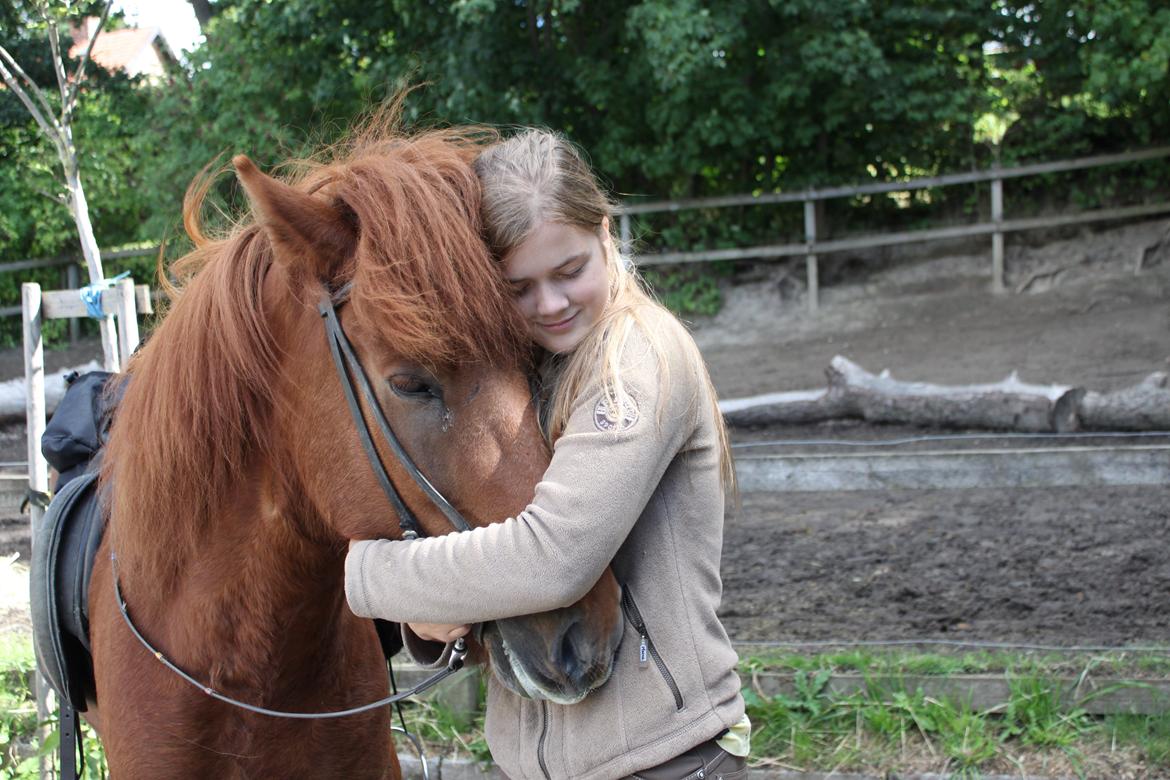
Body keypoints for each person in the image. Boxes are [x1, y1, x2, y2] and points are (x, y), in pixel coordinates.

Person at [345, 128, 748, 779]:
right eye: (519, 287)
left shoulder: (636, 358)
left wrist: (367, 575)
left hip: (662, 760)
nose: (551, 304)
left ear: (606, 234)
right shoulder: (522, 369)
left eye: (570, 271)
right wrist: (434, 613)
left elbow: (553, 557)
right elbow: (482, 519)